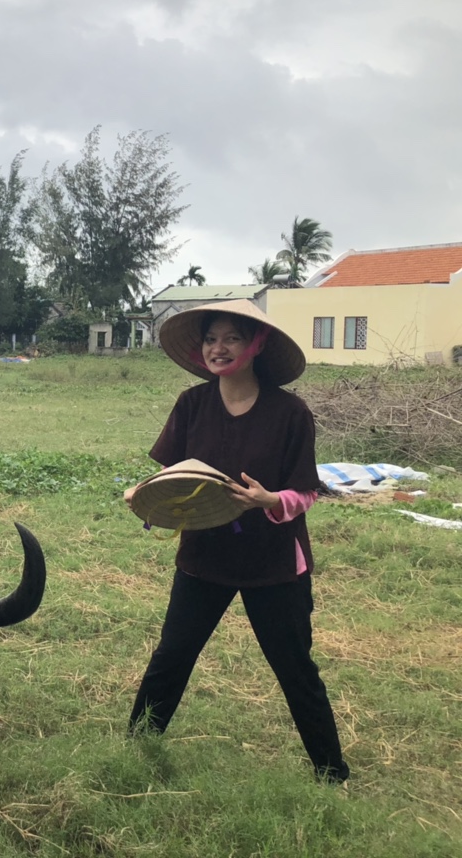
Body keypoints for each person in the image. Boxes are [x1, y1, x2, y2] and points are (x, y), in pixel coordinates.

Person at [123, 299, 349, 783]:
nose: (218, 348)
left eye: (231, 338)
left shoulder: (290, 413)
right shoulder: (192, 404)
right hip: (204, 555)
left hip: (273, 564)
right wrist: (142, 492)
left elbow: (307, 492)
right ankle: (135, 748)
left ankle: (332, 773)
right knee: (172, 656)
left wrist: (269, 499)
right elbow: (174, 474)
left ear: (257, 345)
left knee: (294, 668)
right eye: (210, 338)